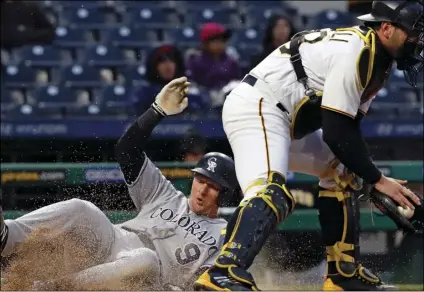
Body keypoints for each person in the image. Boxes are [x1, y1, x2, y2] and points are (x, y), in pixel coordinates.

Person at [194, 1, 423, 291]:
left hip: (286, 122)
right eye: (413, 33)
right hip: (258, 106)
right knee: (270, 191)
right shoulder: (358, 52)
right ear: (387, 28)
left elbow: (347, 132)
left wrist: (371, 178)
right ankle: (223, 271)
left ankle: (343, 274)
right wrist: (377, 180)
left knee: (344, 173)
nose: (418, 41)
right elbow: (337, 133)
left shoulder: (379, 60)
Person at [0, 77, 241, 290]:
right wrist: (156, 111)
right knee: (81, 208)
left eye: (212, 186)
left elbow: (205, 283)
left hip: (150, 281)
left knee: (146, 259)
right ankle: (7, 237)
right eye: (200, 180)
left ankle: (53, 289)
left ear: (225, 194)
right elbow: (126, 150)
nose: (202, 190)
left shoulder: (221, 234)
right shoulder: (166, 194)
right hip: (114, 244)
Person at [130, 45, 185, 115]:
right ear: (154, 65)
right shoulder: (143, 93)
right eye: (163, 61)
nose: (168, 66)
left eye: (172, 61)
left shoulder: (186, 90)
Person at [186, 22, 242, 90]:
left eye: (223, 40)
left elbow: (236, 81)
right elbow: (190, 83)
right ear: (205, 43)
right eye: (216, 40)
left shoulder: (231, 61)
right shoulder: (195, 60)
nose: (220, 44)